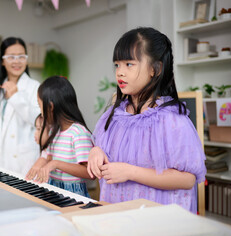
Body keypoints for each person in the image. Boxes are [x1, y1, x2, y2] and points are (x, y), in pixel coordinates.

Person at [87, 27, 206, 213]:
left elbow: (187, 179)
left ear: (155, 69)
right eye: (117, 65)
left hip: (156, 219)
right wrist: (96, 151)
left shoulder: (171, 120)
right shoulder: (115, 116)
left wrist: (130, 172)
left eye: (129, 64)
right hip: (118, 214)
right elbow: (104, 151)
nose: (120, 72)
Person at [0, 37, 40, 176]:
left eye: (21, 57)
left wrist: (15, 97)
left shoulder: (34, 87)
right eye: (11, 57)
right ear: (3, 61)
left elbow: (37, 120)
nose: (17, 61)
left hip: (23, 162)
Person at [26, 76, 94, 197]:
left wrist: (56, 164)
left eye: (40, 106)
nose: (41, 113)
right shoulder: (53, 131)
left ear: (51, 107)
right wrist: (37, 167)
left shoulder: (78, 133)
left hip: (72, 195)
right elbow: (46, 156)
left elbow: (89, 173)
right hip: (53, 189)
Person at [25, 114, 49, 181]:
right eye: (36, 129)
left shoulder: (48, 155)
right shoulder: (41, 154)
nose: (35, 133)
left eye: (38, 129)